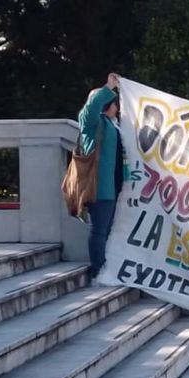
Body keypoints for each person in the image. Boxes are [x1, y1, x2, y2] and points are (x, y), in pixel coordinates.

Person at [78, 72, 125, 280]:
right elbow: (91, 108)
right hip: (99, 185)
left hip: (112, 186)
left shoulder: (113, 125)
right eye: (113, 104)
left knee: (107, 230)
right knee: (99, 229)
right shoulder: (92, 122)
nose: (117, 108)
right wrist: (108, 87)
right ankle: (97, 269)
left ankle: (104, 267)